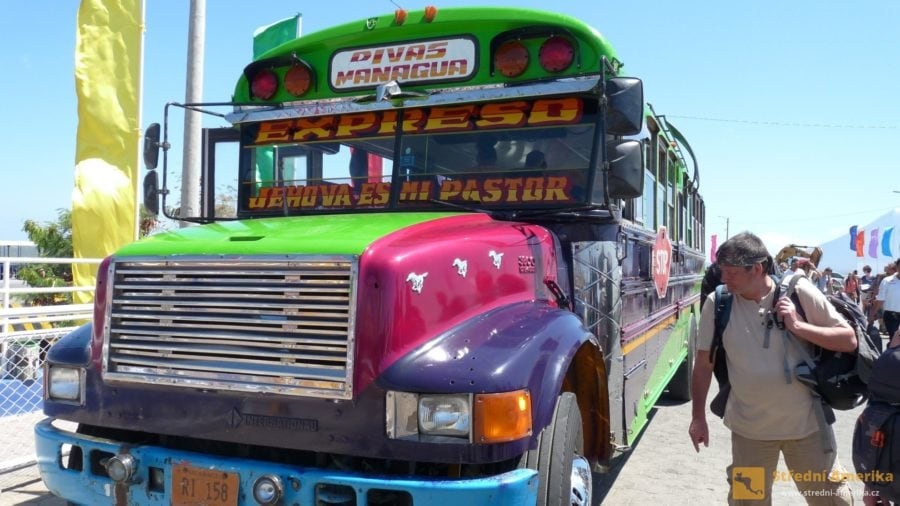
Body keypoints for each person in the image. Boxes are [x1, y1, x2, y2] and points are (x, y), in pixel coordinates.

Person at [688, 231, 855, 505]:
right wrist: (697, 417)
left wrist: (799, 326)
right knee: (748, 502)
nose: (723, 279)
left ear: (756, 268)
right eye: (722, 272)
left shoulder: (799, 292)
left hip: (807, 429)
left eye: (731, 273)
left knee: (832, 499)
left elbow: (848, 340)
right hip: (750, 434)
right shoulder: (717, 303)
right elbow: (704, 364)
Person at [875, 258, 900, 342]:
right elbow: (880, 299)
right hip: (891, 316)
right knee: (894, 340)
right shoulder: (887, 281)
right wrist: (873, 313)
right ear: (897, 267)